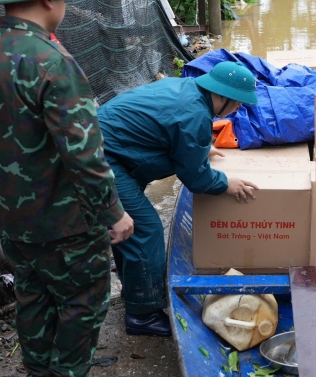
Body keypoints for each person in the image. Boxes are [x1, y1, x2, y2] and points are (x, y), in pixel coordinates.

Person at [0, 0, 134, 377]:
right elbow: (83, 153)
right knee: (83, 298)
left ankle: (45, 374)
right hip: (64, 217)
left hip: (10, 214)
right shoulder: (52, 60)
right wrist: (113, 213)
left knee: (33, 292)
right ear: (49, 1)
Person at [97, 61, 260, 336]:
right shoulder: (195, 114)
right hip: (104, 157)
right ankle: (143, 315)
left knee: (131, 226)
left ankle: (135, 289)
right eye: (238, 104)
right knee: (144, 227)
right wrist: (225, 184)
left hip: (108, 144)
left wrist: (197, 149)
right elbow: (196, 180)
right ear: (220, 96)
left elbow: (171, 131)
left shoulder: (188, 89)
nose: (238, 110)